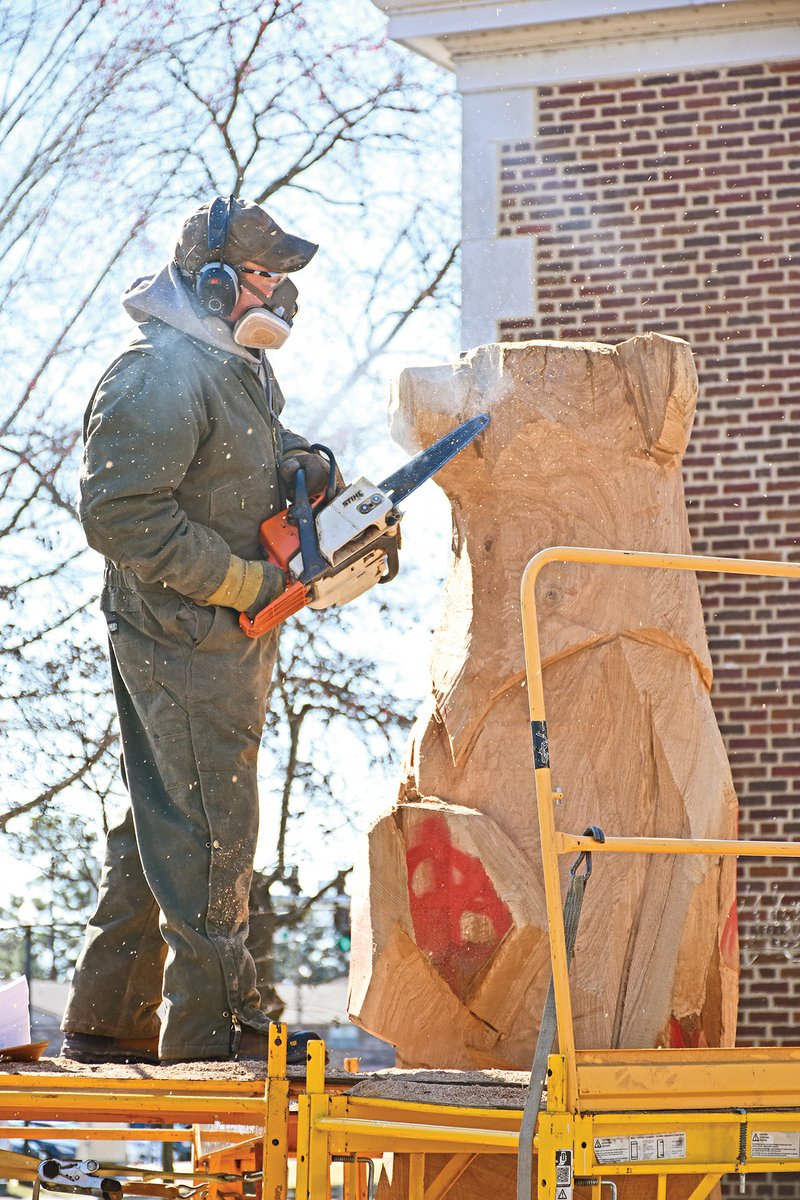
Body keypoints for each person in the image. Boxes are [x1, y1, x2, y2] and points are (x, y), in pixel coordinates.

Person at [60, 196, 331, 1065]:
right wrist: (246, 580)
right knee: (213, 821)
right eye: (263, 275)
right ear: (212, 280)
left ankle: (110, 1018)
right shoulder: (153, 374)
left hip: (219, 635)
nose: (279, 293)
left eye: (283, 278)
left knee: (162, 819)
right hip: (182, 630)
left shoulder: (228, 369)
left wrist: (303, 460)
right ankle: (224, 1031)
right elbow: (118, 512)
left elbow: (243, 454)